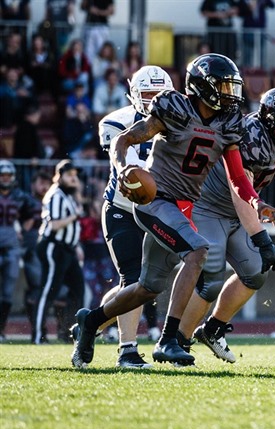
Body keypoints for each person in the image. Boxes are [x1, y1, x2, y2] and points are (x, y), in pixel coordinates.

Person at [71, 53, 275, 368]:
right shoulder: (174, 108)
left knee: (146, 288)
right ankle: (169, 340)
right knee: (199, 251)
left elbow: (238, 176)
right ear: (202, 86)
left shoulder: (228, 122)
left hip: (184, 207)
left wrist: (256, 201)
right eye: (223, 86)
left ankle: (91, 322)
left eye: (231, 86)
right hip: (156, 201)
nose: (229, 93)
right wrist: (123, 167)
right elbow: (126, 140)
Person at [177, 87, 275, 363]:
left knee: (256, 270)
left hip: (234, 213)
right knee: (210, 279)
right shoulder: (253, 135)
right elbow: (239, 190)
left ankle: (213, 329)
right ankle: (177, 342)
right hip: (208, 208)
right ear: (269, 117)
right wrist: (261, 238)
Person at [89, 65, 174, 368]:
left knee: (148, 283)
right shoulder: (117, 122)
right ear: (134, 94)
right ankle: (128, 350)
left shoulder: (181, 122)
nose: (153, 102)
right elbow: (134, 174)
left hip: (159, 213)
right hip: (124, 209)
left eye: (159, 96)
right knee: (134, 280)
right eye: (147, 95)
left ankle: (91, 325)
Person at [33, 160, 85, 345]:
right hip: (53, 246)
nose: (74, 178)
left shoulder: (69, 195)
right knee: (49, 290)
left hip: (67, 248)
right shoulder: (55, 195)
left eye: (75, 175)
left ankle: (69, 332)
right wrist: (75, 216)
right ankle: (38, 334)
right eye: (69, 175)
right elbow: (55, 225)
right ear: (60, 176)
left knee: (78, 289)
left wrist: (76, 246)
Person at [0, 160, 35, 342]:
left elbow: (36, 210)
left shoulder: (19, 195)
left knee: (7, 291)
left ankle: (1, 329)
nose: (5, 179)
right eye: (2, 175)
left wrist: (24, 225)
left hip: (12, 246)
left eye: (8, 176)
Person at [22, 171, 52, 333]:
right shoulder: (26, 201)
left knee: (55, 290)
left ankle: (60, 330)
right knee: (36, 288)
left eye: (46, 182)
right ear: (33, 184)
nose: (44, 186)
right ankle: (37, 329)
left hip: (49, 250)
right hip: (31, 249)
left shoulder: (53, 200)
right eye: (41, 182)